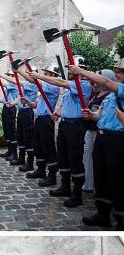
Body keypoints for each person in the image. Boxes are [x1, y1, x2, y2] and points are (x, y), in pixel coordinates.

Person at [67, 65, 124, 229]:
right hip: (101, 137)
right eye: (117, 72)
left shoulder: (121, 90)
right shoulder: (109, 96)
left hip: (117, 139)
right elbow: (99, 115)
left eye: (120, 73)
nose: (117, 75)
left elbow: (105, 81)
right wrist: (91, 115)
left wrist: (80, 71)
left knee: (117, 179)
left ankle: (120, 218)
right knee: (101, 176)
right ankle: (102, 213)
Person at [31, 58, 93, 208]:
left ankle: (76, 193)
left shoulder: (84, 85)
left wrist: (39, 76)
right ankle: (65, 186)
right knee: (63, 156)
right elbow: (65, 102)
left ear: (81, 69)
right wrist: (58, 113)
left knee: (75, 158)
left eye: (72, 68)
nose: (70, 70)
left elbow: (60, 82)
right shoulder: (70, 85)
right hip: (65, 123)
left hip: (76, 125)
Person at [20, 65, 61, 184]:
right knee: (38, 145)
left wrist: (20, 71)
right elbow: (35, 105)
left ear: (53, 75)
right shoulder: (43, 88)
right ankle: (41, 170)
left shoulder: (53, 86)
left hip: (46, 119)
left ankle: (52, 175)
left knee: (48, 146)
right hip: (39, 119)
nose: (44, 75)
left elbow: (33, 80)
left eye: (46, 73)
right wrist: (27, 101)